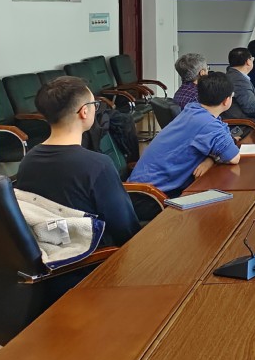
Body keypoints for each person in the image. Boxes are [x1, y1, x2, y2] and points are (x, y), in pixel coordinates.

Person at [15, 76, 140, 246]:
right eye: (94, 104)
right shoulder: (98, 165)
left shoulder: (27, 161)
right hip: (94, 253)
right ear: (84, 111)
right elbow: (126, 229)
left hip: (51, 249)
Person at [128, 72, 241, 198]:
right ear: (226, 101)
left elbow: (223, 130)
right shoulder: (206, 123)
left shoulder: (194, 109)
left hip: (145, 187)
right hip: (150, 195)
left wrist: (209, 160)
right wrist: (213, 158)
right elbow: (234, 158)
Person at [224, 47, 255, 121]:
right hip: (246, 123)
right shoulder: (239, 80)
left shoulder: (234, 75)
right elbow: (251, 109)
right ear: (248, 62)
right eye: (251, 59)